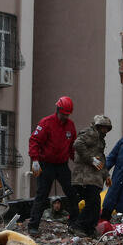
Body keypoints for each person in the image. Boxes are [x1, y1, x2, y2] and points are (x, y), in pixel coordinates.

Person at [27, 96, 79, 236]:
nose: (65, 117)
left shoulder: (70, 126)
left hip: (62, 165)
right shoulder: (46, 123)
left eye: (67, 115)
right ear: (58, 110)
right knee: (42, 195)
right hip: (46, 165)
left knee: (72, 193)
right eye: (63, 114)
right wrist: (35, 160)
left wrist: (77, 161)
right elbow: (34, 141)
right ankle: (33, 226)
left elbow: (72, 147)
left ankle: (74, 224)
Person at [71, 114, 112, 236]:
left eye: (107, 128)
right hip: (85, 177)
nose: (105, 130)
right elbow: (77, 144)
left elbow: (101, 160)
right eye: (103, 127)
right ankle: (79, 226)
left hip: (93, 177)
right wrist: (91, 159)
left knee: (95, 204)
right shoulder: (91, 133)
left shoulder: (100, 140)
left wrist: (106, 175)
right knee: (92, 202)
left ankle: (89, 228)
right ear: (98, 126)